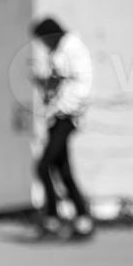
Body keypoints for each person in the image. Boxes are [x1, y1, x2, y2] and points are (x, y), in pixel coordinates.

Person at [30, 17, 94, 240]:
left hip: (66, 117)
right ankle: (83, 219)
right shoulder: (62, 51)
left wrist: (51, 85)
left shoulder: (71, 48)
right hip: (57, 117)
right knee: (63, 171)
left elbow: (75, 83)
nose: (44, 46)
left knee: (43, 166)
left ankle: (52, 219)